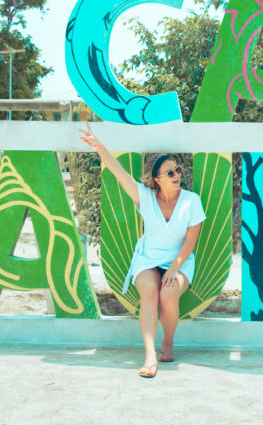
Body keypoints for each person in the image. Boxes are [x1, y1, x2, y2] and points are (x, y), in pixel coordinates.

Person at [79, 123, 205, 379]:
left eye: (177, 170)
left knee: (168, 293)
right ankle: (149, 354)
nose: (176, 175)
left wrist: (173, 269)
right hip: (148, 259)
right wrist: (99, 147)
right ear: (157, 179)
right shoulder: (145, 197)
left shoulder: (192, 201)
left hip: (179, 261)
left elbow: (190, 241)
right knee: (149, 292)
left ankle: (167, 342)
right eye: (169, 173)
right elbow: (120, 173)